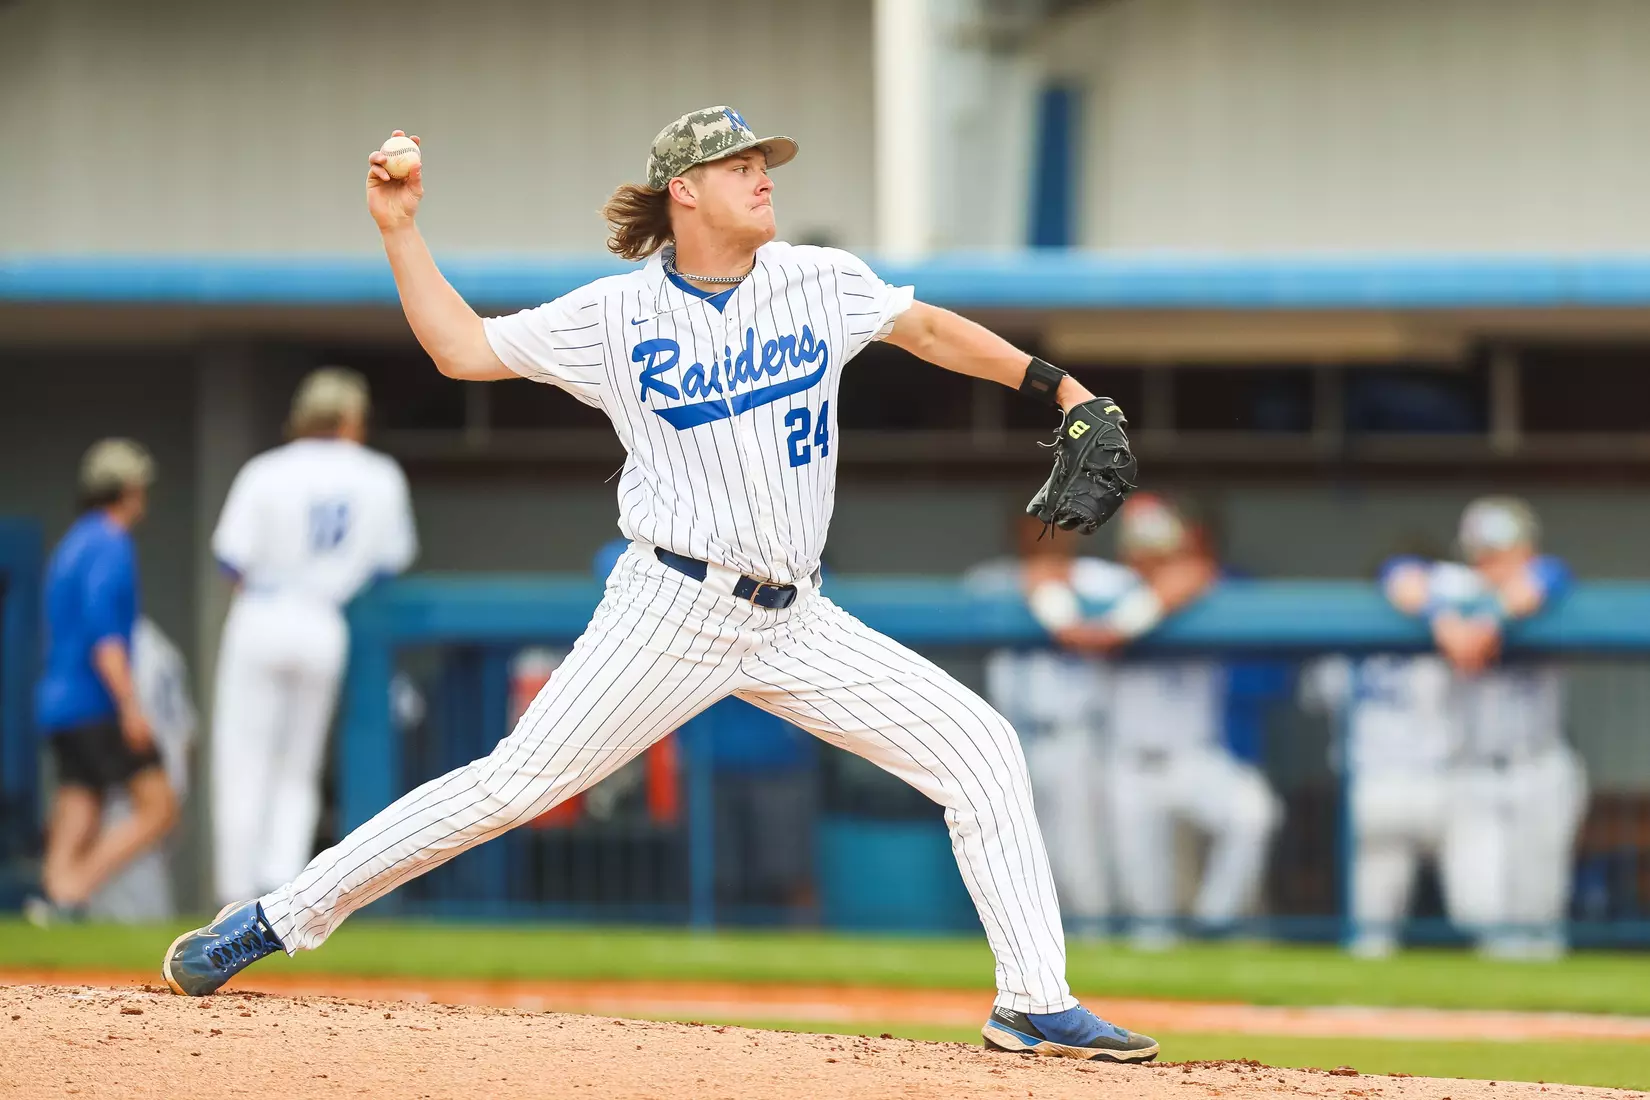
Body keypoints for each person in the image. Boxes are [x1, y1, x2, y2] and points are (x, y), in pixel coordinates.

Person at [162, 107, 1157, 1063]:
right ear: (683, 189)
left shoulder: (819, 280)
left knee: (980, 747)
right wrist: (400, 230)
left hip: (797, 616)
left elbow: (930, 330)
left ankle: (1033, 1000)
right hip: (670, 606)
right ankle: (274, 915)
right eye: (739, 165)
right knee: (511, 786)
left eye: (763, 162)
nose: (764, 176)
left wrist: (1061, 386)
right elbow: (461, 351)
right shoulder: (616, 312)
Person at [207, 369, 419, 906]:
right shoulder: (380, 474)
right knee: (299, 766)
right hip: (324, 618)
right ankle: (279, 894)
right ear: (350, 417)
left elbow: (230, 559)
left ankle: (233, 890)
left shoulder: (267, 470)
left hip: (263, 610)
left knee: (244, 758)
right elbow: (389, 564)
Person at [1057, 494, 1280, 949]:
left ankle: (1214, 922)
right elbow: (1042, 573)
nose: (1150, 559)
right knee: (1148, 920)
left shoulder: (1193, 586)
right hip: (1128, 767)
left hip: (1193, 758)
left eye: (1160, 549)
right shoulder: (1106, 584)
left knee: (1253, 814)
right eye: (1141, 549)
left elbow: (1191, 575)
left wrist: (1120, 626)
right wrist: (1065, 619)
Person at [1385, 497, 1586, 958]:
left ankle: (1536, 1019)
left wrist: (1488, 620)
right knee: (1475, 907)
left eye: (1502, 550)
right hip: (1471, 773)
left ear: (1526, 547)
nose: (1490, 561)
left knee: (1538, 914)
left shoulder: (1546, 583)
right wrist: (1442, 617)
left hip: (1538, 767)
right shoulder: (1455, 587)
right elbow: (1397, 575)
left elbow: (1545, 579)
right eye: (1482, 551)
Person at [28, 439, 178, 923]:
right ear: (128, 489)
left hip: (59, 700)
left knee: (79, 800)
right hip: (94, 701)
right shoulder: (110, 543)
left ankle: (52, 899)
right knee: (159, 805)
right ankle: (73, 891)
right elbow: (105, 637)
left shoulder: (72, 542)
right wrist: (131, 706)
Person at [969, 514, 1132, 935]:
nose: (1048, 533)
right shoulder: (992, 578)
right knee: (1013, 858)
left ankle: (1095, 949)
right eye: (1038, 522)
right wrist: (1058, 609)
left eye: (1060, 522)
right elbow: (1034, 575)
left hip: (1076, 737)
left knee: (1080, 859)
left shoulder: (1104, 579)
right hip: (1011, 738)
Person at [1300, 546, 1462, 957]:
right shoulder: (1447, 624)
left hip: (1423, 787)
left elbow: (1311, 694)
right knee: (1378, 929)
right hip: (1420, 785)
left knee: (1380, 930)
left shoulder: (1441, 623)